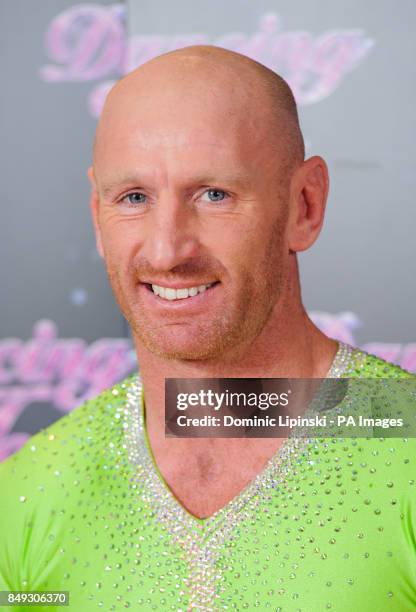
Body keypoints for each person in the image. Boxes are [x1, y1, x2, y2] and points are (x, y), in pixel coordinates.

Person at [0, 45, 415, 611]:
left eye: (214, 195)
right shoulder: (31, 488)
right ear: (98, 217)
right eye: (134, 198)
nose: (169, 250)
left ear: (304, 206)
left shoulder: (402, 438)